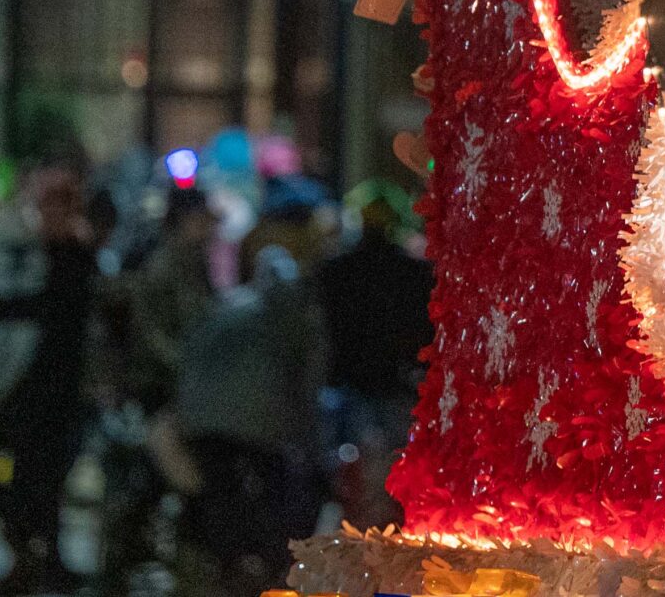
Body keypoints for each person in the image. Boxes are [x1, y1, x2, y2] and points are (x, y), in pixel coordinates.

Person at [0, 167, 97, 597]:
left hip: (52, 389)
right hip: (11, 382)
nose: (46, 214)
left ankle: (36, 561)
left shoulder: (74, 257)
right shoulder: (29, 253)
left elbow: (50, 312)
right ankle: (35, 553)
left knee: (40, 481)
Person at [169, 247, 326, 595]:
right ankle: (264, 567)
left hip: (203, 419)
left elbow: (190, 352)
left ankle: (224, 564)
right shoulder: (298, 317)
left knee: (219, 489)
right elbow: (307, 380)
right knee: (273, 488)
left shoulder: (229, 305)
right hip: (261, 423)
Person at [96, 186, 218, 595]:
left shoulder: (189, 262)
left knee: (156, 482)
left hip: (175, 389)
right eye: (202, 219)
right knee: (151, 480)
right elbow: (154, 333)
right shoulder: (167, 264)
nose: (209, 229)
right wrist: (188, 369)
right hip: (159, 391)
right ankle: (122, 564)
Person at [315, 183, 432, 531]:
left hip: (349, 382)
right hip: (395, 382)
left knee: (350, 465)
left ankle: (358, 529)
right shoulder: (413, 272)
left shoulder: (335, 269)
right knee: (394, 466)